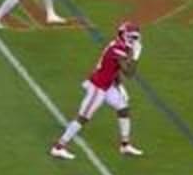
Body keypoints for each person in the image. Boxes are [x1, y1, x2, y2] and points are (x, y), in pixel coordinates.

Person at [49, 20, 145, 160]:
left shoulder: (121, 46)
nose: (135, 40)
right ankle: (58, 147)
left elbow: (114, 69)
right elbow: (129, 73)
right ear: (124, 35)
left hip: (108, 85)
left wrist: (119, 86)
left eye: (136, 37)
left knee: (123, 108)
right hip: (98, 87)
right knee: (83, 118)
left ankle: (125, 144)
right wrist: (136, 56)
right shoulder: (117, 49)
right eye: (133, 37)